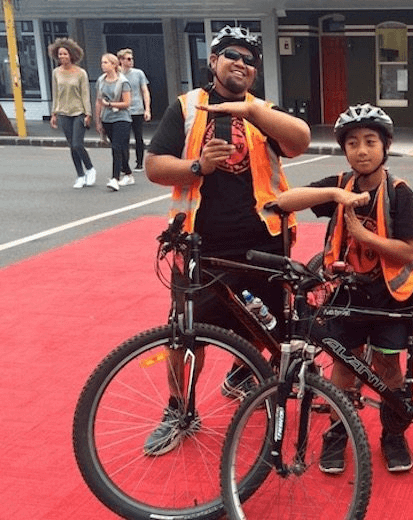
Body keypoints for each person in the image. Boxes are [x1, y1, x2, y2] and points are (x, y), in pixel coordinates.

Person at [142, 25, 311, 456]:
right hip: (200, 245)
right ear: (213, 62)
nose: (241, 63)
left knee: (268, 324)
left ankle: (242, 373)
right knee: (184, 334)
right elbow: (156, 167)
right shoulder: (186, 108)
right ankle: (180, 410)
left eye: (250, 59)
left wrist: (250, 111)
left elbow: (300, 141)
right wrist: (198, 166)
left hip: (265, 241)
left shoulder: (263, 111)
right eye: (231, 55)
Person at [275, 104, 413, 473]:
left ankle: (392, 435)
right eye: (352, 143)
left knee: (389, 367)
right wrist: (335, 197)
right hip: (348, 294)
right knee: (344, 365)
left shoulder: (400, 193)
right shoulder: (341, 184)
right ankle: (337, 433)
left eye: (370, 141)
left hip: (391, 295)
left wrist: (363, 236)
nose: (361, 150)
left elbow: (408, 250)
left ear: (385, 146)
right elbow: (284, 201)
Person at [47, 38, 97, 189]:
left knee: (77, 144)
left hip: (79, 112)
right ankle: (80, 175)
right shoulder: (56, 72)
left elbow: (85, 94)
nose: (62, 57)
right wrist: (54, 113)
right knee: (71, 146)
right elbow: (56, 94)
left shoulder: (80, 73)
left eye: (65, 54)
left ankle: (90, 168)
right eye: (60, 54)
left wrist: (88, 114)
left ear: (72, 55)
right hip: (63, 112)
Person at [94, 53, 132, 192]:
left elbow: (127, 103)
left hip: (122, 118)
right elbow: (98, 101)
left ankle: (114, 179)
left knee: (116, 147)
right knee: (119, 148)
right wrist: (97, 121)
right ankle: (128, 172)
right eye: (102, 62)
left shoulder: (123, 82)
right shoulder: (101, 81)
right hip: (107, 118)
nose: (103, 65)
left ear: (114, 65)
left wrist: (109, 104)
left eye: (106, 62)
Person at [117, 48, 151, 183]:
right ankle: (124, 164)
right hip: (123, 110)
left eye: (132, 59)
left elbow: (145, 91)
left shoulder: (138, 73)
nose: (131, 61)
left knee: (138, 136)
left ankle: (139, 162)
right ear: (121, 61)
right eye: (128, 59)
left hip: (137, 108)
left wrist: (147, 109)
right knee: (123, 138)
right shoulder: (117, 75)